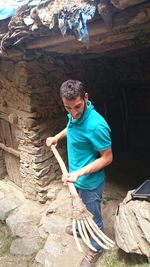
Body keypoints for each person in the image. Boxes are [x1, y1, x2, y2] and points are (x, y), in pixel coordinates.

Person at [46, 80, 113, 267]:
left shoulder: (96, 125)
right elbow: (71, 126)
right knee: (77, 206)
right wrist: (56, 138)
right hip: (75, 180)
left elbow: (107, 158)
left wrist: (78, 174)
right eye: (68, 108)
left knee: (93, 215)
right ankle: (79, 228)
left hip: (90, 183)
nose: (73, 112)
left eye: (77, 107)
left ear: (86, 97)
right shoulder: (74, 115)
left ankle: (96, 248)